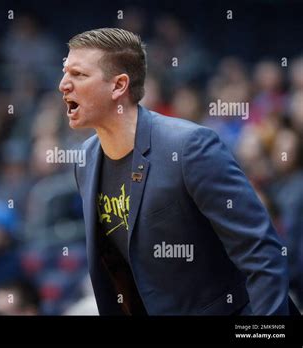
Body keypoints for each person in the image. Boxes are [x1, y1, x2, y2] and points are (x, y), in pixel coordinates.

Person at [59, 28, 296, 315]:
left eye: (78, 75)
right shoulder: (85, 159)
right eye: (65, 72)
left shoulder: (189, 147)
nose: (63, 84)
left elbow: (262, 254)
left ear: (119, 85)